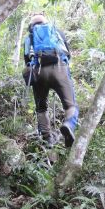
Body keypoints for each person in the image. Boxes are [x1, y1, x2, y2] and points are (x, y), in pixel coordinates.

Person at [23, 14, 78, 147]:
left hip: (38, 71)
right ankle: (68, 125)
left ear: (31, 26)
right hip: (59, 68)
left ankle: (47, 138)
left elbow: (26, 58)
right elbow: (68, 54)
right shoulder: (56, 32)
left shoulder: (29, 37)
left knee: (41, 108)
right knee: (70, 105)